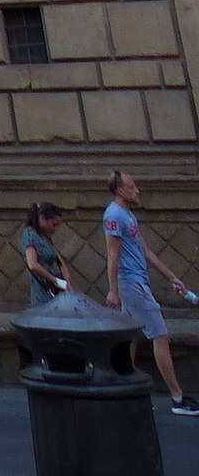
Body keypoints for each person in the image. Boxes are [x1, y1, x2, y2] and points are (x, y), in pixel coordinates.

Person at [104, 169, 199, 416]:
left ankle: (123, 388)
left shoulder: (128, 215)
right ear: (120, 190)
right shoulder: (114, 215)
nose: (138, 190)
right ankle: (178, 399)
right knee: (160, 336)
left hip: (137, 281)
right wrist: (113, 291)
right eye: (133, 186)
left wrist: (172, 278)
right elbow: (112, 254)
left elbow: (146, 251)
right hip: (130, 283)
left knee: (132, 334)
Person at [21, 201, 69, 305]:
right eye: (54, 224)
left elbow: (59, 260)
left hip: (56, 284)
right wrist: (55, 280)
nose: (56, 229)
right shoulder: (30, 235)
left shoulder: (45, 236)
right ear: (43, 219)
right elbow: (33, 264)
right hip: (43, 287)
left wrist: (66, 282)